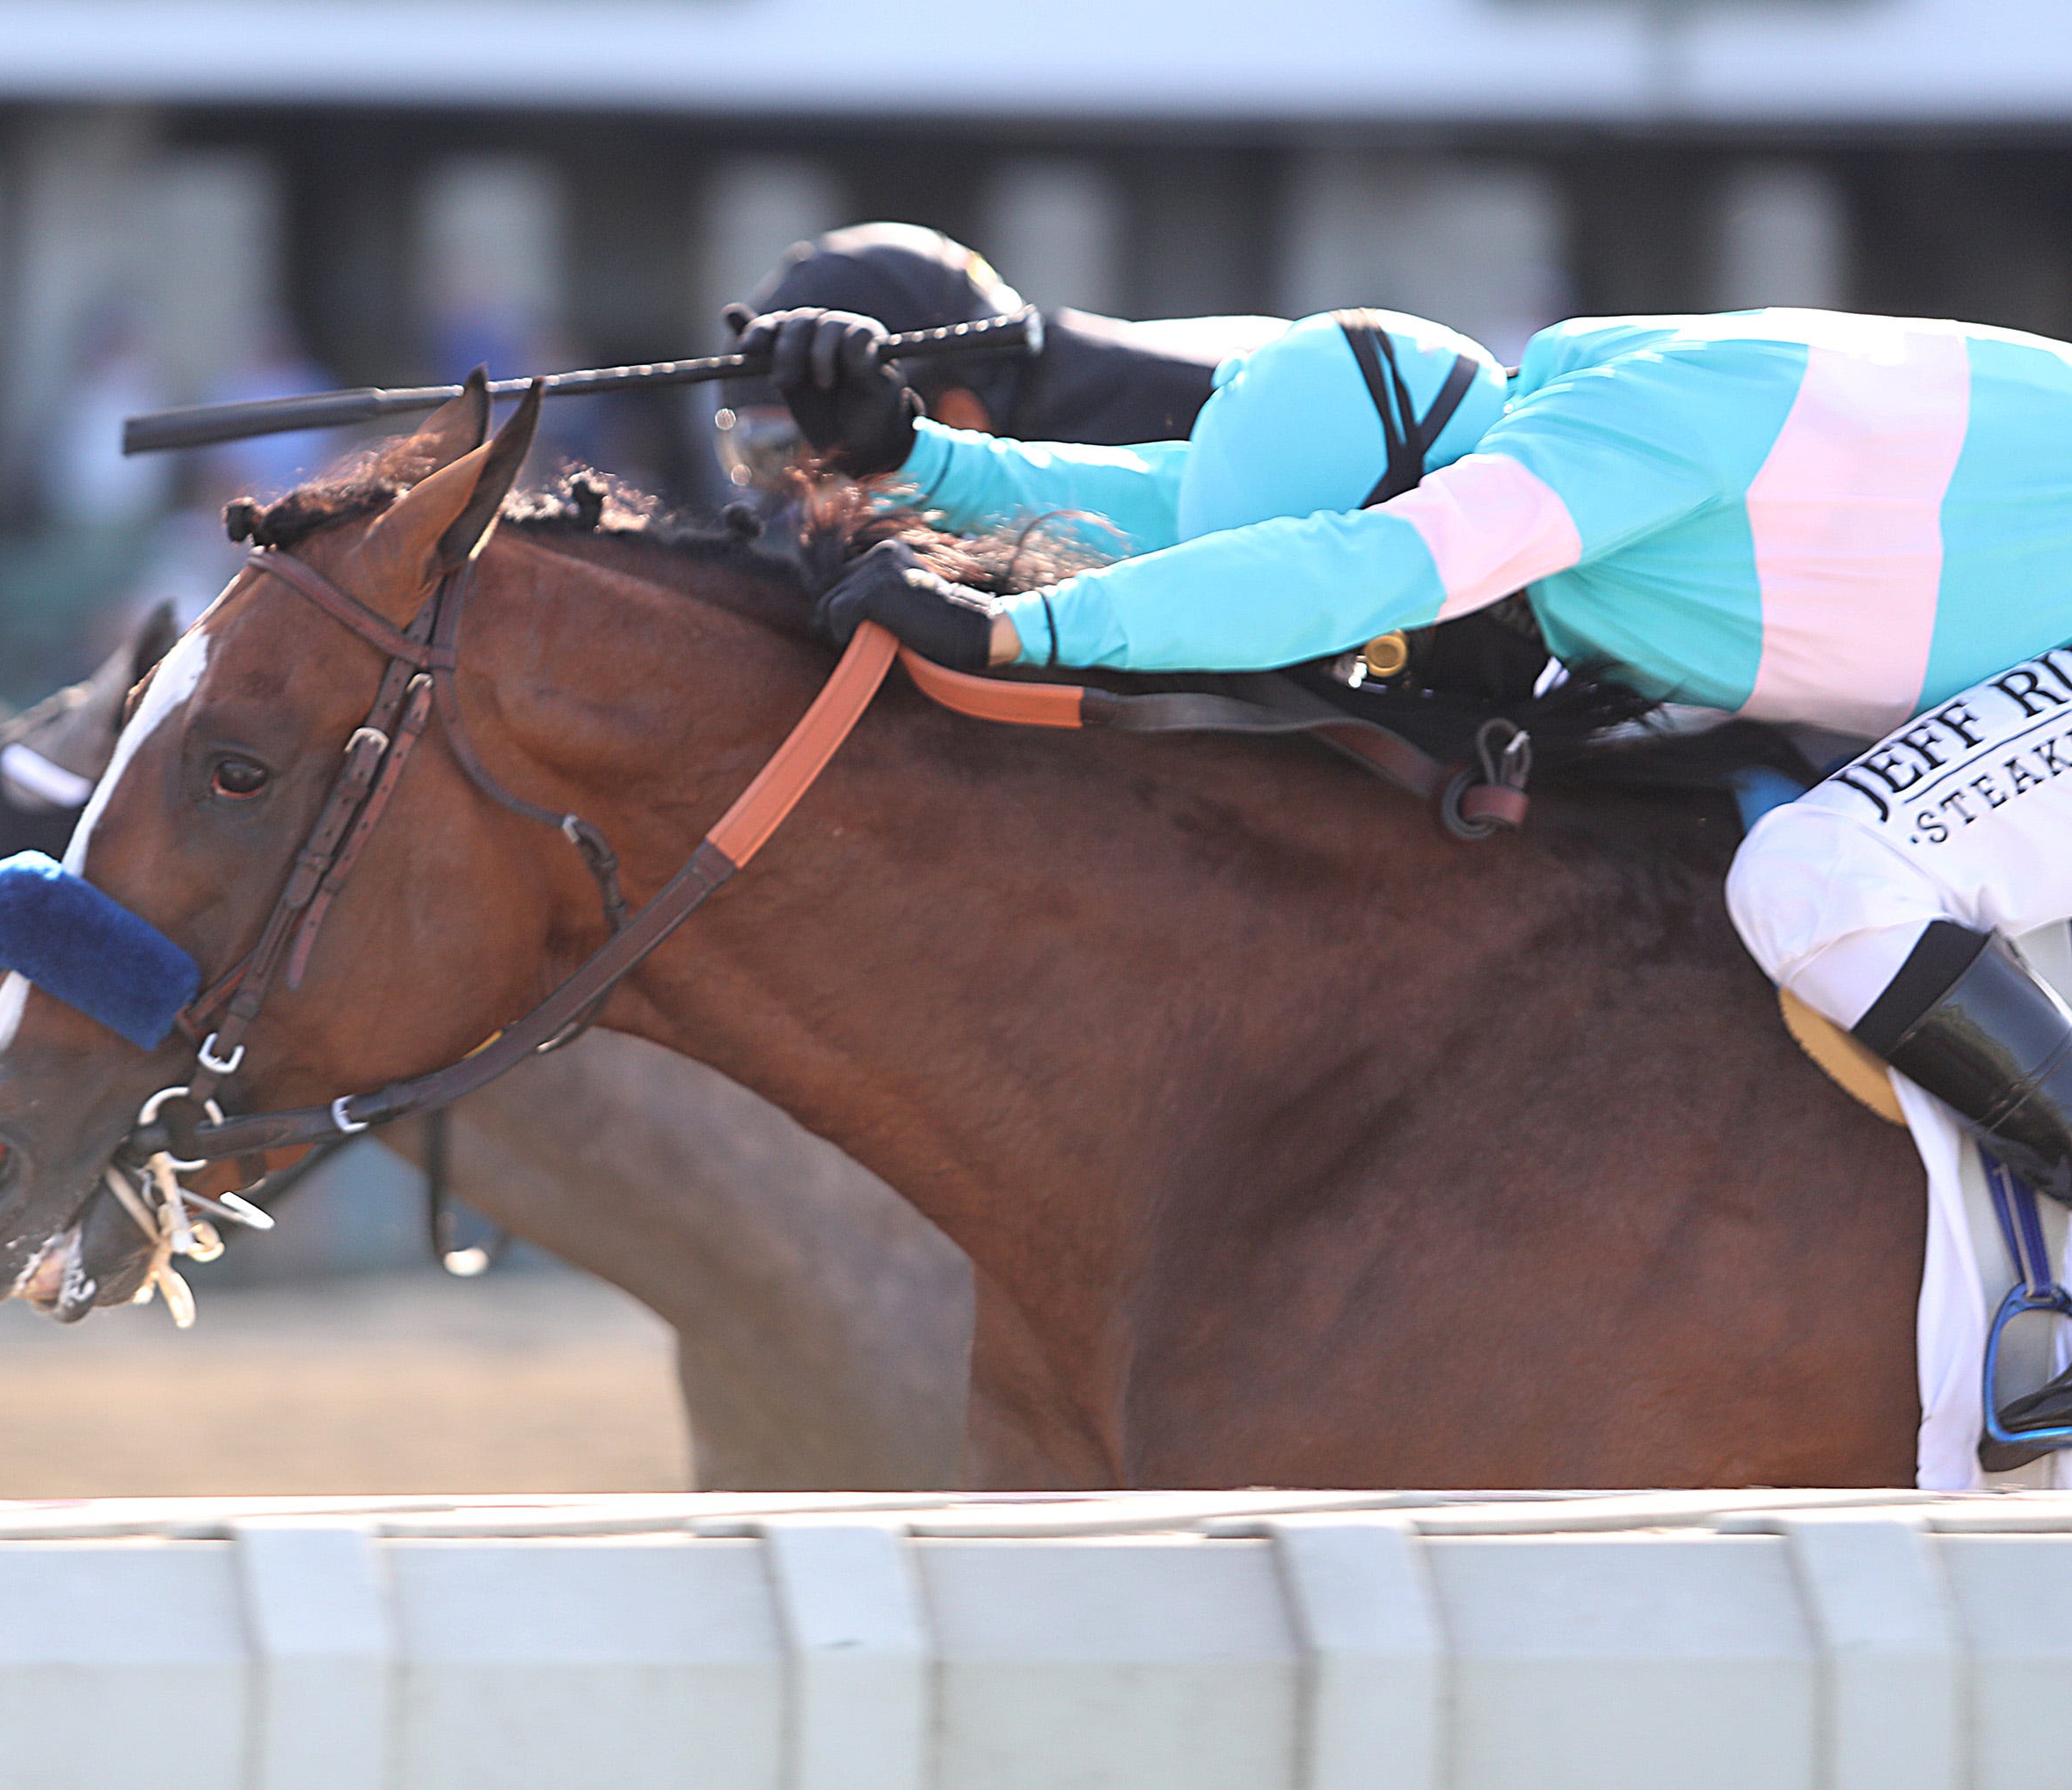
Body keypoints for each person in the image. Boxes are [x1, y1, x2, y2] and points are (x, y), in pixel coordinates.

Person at [740, 299, 2072, 1227]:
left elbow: (1372, 562)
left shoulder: (1627, 426)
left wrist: (1019, 626)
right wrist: (912, 456)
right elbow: (1191, 504)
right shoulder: (1529, 415)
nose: (1401, 660)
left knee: (1818, 878)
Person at [714, 222, 1285, 494]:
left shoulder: (1203, 416)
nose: (804, 510)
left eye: (817, 470)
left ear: (959, 417)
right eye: (763, 459)